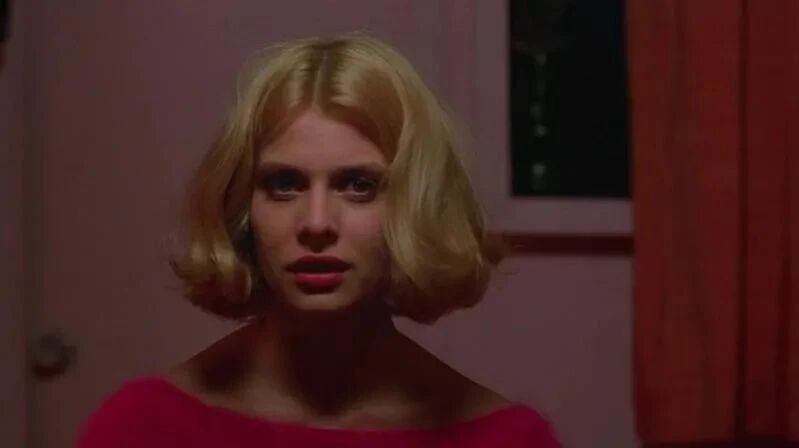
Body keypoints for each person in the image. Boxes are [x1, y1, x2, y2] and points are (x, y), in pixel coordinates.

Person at [77, 33, 561, 447]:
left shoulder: (506, 439)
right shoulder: (142, 428)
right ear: (242, 207)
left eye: (358, 185)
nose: (316, 223)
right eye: (284, 184)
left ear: (415, 206)